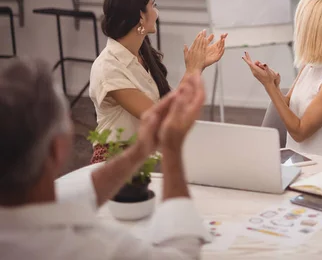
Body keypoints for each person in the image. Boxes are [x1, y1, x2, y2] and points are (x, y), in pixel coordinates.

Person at [0, 58, 210, 259]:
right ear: (57, 149)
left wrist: (140, 150)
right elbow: (184, 255)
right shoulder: (93, 248)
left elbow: (73, 198)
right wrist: (171, 149)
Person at [89, 0, 227, 163]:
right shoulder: (109, 68)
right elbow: (161, 119)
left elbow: (168, 107)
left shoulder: (142, 56)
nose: (157, 13)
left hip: (142, 156)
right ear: (141, 16)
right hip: (115, 162)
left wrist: (196, 67)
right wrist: (193, 70)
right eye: (153, 5)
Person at [242, 0, 322, 162]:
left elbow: (299, 132)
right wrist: (273, 85)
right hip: (299, 166)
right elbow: (288, 106)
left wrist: (268, 86)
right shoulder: (310, 66)